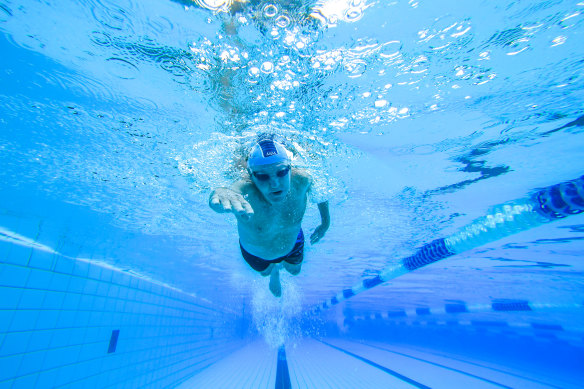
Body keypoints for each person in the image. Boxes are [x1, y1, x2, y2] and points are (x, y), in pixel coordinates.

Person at [209, 137, 330, 297]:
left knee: (295, 270)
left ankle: (276, 268)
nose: (275, 183)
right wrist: (219, 192)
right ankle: (274, 273)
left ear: (290, 168)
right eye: (263, 176)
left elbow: (321, 192)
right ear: (251, 176)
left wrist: (325, 223)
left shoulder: (302, 180)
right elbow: (227, 191)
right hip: (255, 253)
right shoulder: (246, 191)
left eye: (281, 172)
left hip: (292, 244)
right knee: (265, 272)